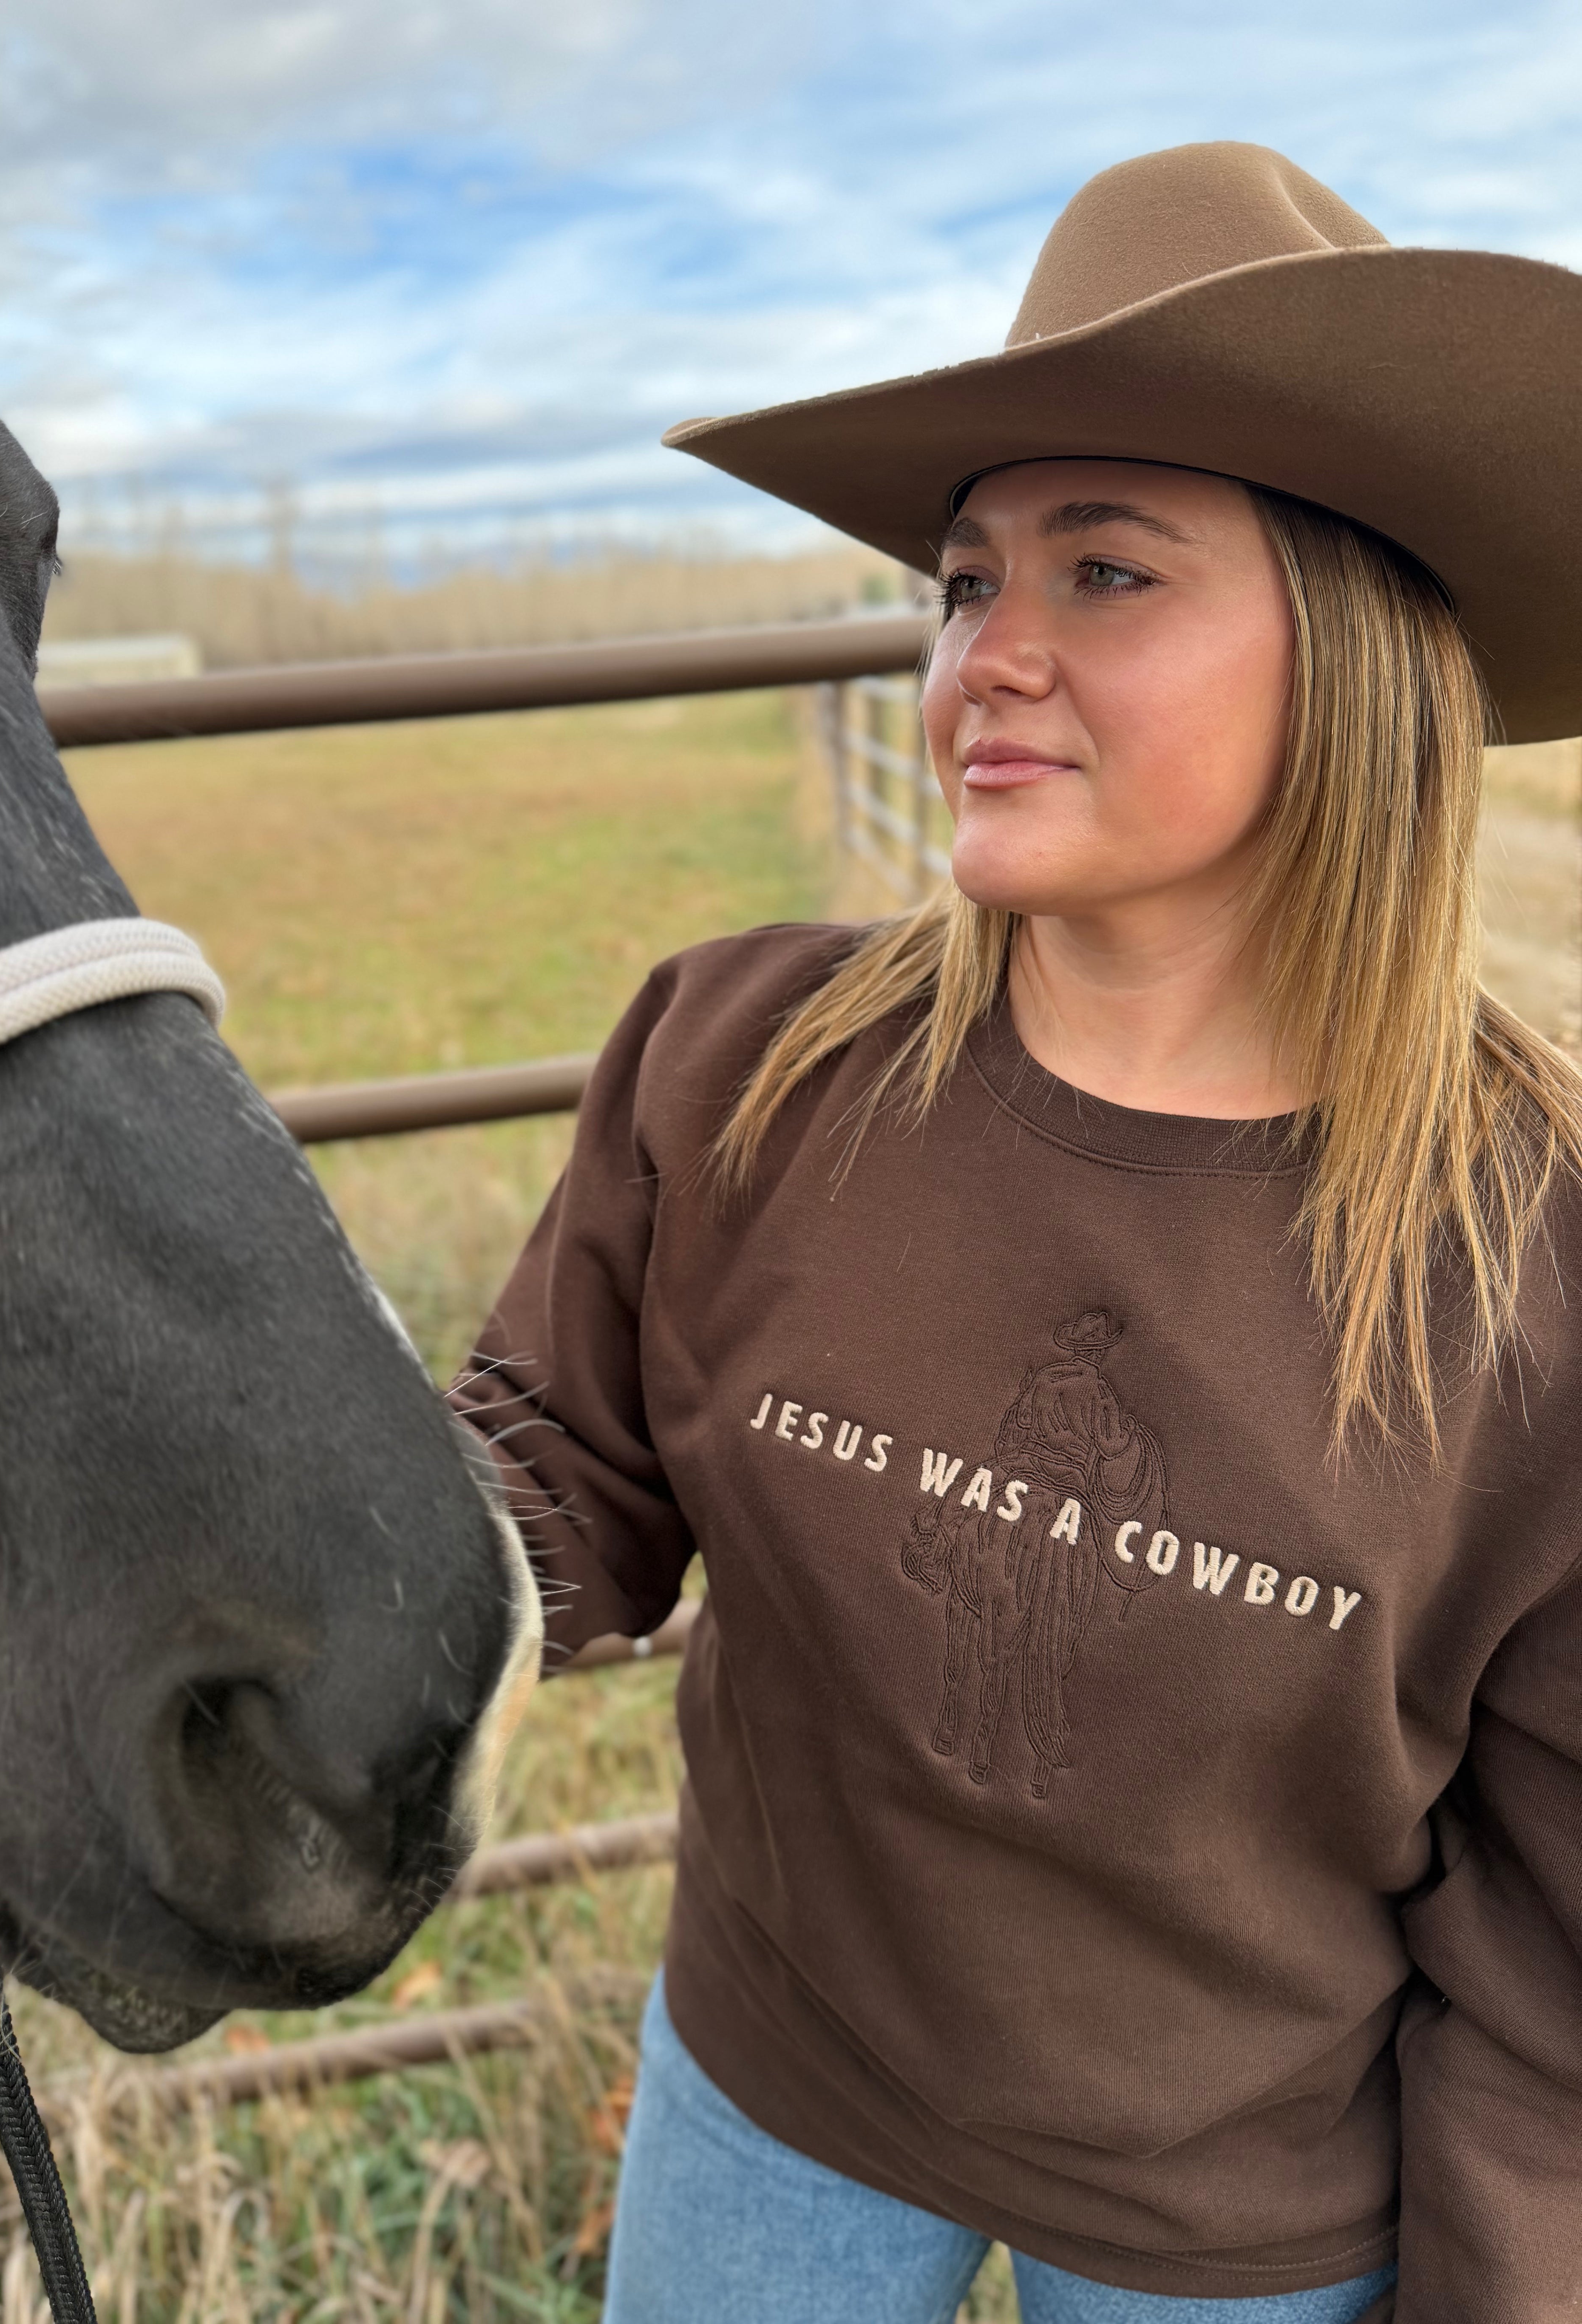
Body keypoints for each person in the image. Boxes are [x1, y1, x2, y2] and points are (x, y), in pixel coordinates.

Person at [449, 142, 1582, 2322]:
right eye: (966, 582)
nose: (991, 654)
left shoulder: (1527, 1264)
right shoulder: (744, 1063)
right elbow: (549, 1479)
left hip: (1234, 2212)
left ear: (1354, 649)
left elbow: (1554, 1943)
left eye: (1107, 571)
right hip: (775, 2086)